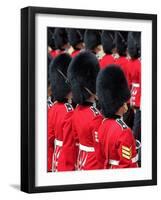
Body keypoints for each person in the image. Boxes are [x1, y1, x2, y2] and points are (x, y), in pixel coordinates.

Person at [94, 65, 138, 169]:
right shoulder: (124, 131)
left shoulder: (103, 125)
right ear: (120, 103)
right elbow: (126, 165)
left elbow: (100, 158)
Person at [68, 51, 103, 170]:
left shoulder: (77, 110)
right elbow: (100, 150)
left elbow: (76, 139)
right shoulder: (95, 116)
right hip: (93, 164)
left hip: (81, 161)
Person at [47, 53, 74, 172]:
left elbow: (49, 141)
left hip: (54, 160)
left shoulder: (54, 107)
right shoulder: (69, 112)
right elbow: (69, 147)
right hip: (65, 164)